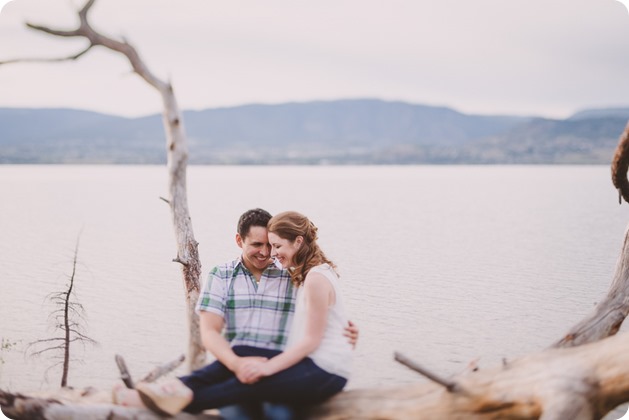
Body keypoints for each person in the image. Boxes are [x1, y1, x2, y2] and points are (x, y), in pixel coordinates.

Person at [114, 208, 357, 418]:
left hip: (284, 365)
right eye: (258, 244)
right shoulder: (222, 275)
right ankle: (166, 393)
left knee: (275, 410)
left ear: (297, 242)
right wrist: (237, 364)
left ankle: (165, 397)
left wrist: (346, 332)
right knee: (237, 400)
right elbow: (209, 333)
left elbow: (322, 319)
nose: (267, 253)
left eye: (273, 245)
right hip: (236, 363)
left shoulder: (292, 274)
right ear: (239, 240)